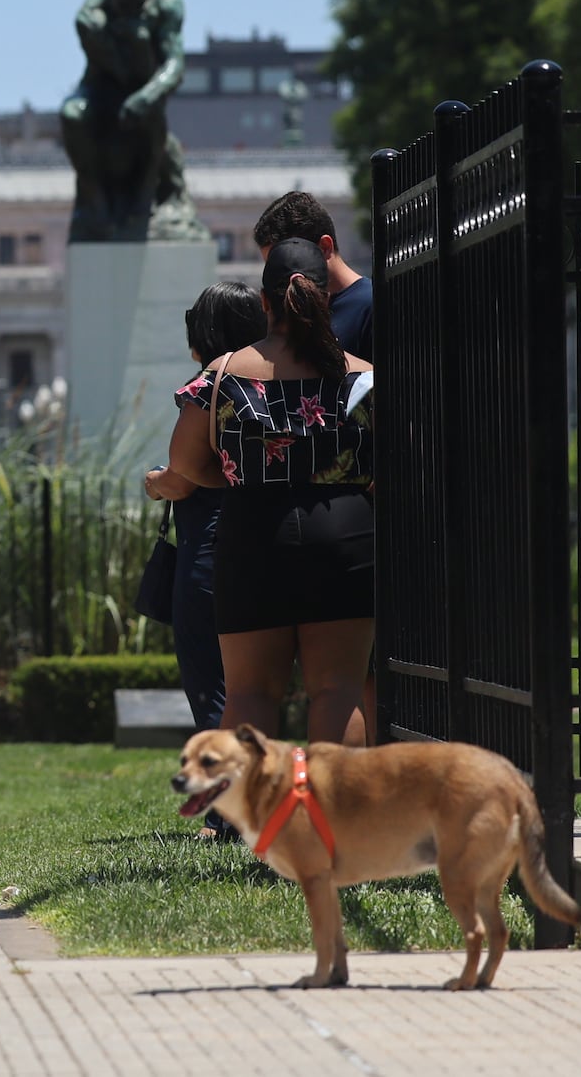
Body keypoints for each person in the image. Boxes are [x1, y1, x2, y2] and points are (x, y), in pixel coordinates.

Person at [146, 239, 376, 748]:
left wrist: (233, 475)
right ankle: (336, 821)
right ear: (324, 299)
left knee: (250, 693)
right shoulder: (364, 376)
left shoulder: (224, 374)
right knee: (339, 691)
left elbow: (185, 466)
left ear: (265, 303)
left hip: (252, 530)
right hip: (346, 531)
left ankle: (247, 818)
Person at [171, 284, 269, 735]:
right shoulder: (281, 379)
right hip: (270, 543)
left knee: (215, 686)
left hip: (211, 548)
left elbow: (182, 472)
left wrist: (158, 482)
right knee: (262, 689)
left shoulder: (209, 386)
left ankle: (226, 800)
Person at [253, 191, 372, 357]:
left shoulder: (371, 307)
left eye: (284, 263)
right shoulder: (284, 310)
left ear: (324, 248)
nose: (278, 276)